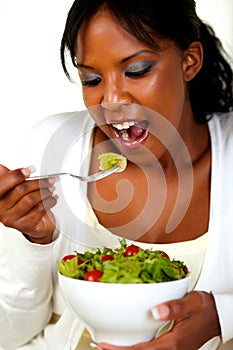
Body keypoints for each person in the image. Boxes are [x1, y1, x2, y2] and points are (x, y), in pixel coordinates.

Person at [0, 0, 233, 349]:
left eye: (137, 70)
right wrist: (34, 243)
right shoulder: (49, 145)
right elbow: (9, 334)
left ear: (190, 61)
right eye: (91, 79)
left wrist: (223, 316)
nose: (110, 100)